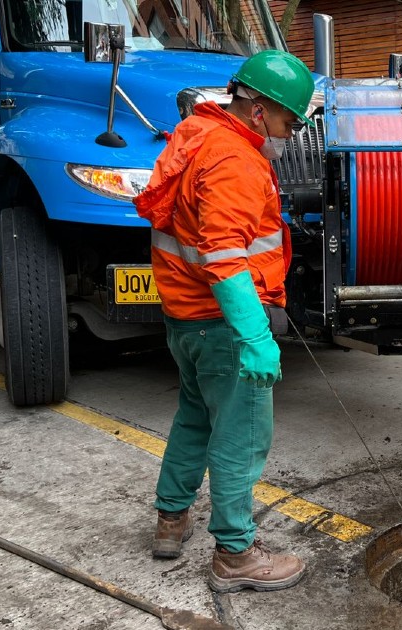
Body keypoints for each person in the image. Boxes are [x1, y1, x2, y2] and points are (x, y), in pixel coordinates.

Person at [132, 49, 314, 593]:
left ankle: (171, 518)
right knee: (241, 435)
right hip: (222, 326)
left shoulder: (195, 135)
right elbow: (224, 255)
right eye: (288, 120)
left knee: (194, 417)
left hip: (185, 318)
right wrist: (255, 335)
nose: (290, 133)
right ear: (258, 109)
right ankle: (235, 554)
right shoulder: (234, 159)